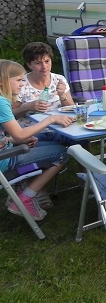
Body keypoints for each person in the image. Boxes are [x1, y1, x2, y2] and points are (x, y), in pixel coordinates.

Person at [0, 59, 74, 221]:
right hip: (4, 159)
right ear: (2, 81)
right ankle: (25, 197)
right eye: (18, 80)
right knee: (61, 153)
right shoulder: (2, 103)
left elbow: (8, 136)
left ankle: (21, 188)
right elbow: (20, 134)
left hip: (5, 149)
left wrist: (17, 141)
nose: (22, 84)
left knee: (51, 145)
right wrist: (50, 119)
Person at [12, 42, 75, 138]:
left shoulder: (59, 79)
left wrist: (62, 96)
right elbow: (10, 116)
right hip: (34, 133)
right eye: (38, 63)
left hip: (60, 128)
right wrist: (26, 107)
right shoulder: (21, 84)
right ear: (29, 65)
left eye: (47, 61)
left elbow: (72, 109)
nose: (44, 67)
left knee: (80, 139)